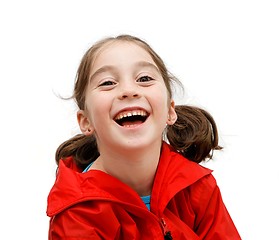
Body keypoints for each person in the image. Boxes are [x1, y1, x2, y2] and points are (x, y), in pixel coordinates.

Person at [46, 34, 241, 239]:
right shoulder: (77, 213)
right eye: (107, 83)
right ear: (85, 121)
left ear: (169, 111)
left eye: (144, 79)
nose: (129, 90)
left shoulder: (198, 186)